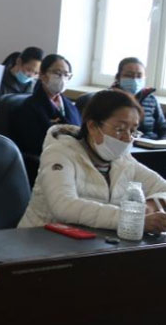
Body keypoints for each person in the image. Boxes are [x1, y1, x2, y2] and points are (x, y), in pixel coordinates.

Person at [18, 89, 166, 232]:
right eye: (120, 129)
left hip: (93, 242)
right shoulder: (59, 153)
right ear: (93, 126)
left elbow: (163, 188)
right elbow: (64, 206)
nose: (128, 138)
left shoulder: (124, 161)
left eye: (133, 131)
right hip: (41, 241)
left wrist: (151, 205)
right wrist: (131, 219)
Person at [8, 54, 81, 157]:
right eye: (57, 73)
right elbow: (33, 145)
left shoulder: (70, 106)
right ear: (42, 75)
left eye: (66, 75)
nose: (62, 78)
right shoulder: (29, 107)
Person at [110, 57, 166, 140]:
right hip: (121, 142)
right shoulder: (108, 99)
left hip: (150, 144)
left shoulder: (151, 100)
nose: (134, 79)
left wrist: (162, 142)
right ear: (118, 77)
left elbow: (163, 127)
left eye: (139, 76)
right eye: (128, 75)